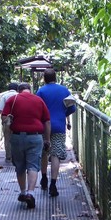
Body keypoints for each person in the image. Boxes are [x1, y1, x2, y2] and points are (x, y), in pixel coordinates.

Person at [2, 82, 50, 209]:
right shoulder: (39, 100)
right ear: (30, 89)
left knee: (20, 166)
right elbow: (46, 121)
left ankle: (23, 192)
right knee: (33, 165)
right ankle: (30, 193)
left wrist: (9, 120)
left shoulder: (13, 99)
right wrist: (47, 139)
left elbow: (4, 119)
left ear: (19, 91)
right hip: (35, 136)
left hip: (17, 136)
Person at [36, 68, 75, 197]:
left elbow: (37, 109)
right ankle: (53, 184)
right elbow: (71, 108)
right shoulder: (64, 90)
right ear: (55, 77)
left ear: (44, 79)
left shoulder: (41, 91)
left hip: (43, 126)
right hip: (59, 126)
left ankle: (43, 178)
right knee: (56, 154)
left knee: (44, 152)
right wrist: (62, 115)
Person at [0, 82, 19, 162]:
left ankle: (8, 156)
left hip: (7, 119)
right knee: (17, 137)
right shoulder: (19, 96)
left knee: (7, 138)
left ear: (8, 89)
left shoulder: (4, 96)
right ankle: (16, 155)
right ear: (17, 89)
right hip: (17, 119)